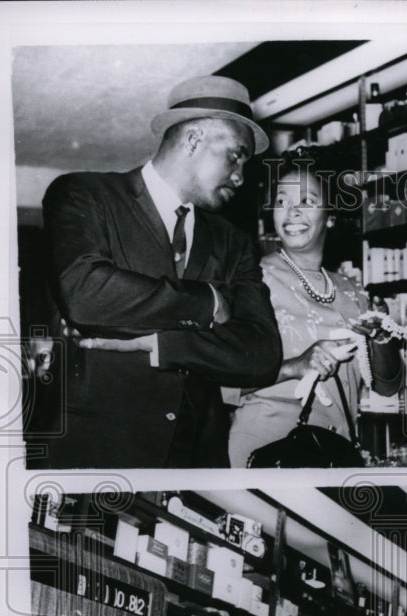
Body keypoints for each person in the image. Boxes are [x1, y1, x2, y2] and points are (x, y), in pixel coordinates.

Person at [40, 75, 282, 468]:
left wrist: (161, 345)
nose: (241, 176)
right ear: (193, 140)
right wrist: (208, 301)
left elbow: (261, 355)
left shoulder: (233, 241)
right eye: (236, 156)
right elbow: (85, 294)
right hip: (92, 455)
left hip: (193, 465)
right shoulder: (84, 195)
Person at [226, 157, 402, 466]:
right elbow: (219, 380)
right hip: (268, 450)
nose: (292, 212)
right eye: (282, 201)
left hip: (335, 452)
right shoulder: (251, 280)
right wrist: (295, 365)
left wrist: (382, 335)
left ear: (330, 216)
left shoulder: (353, 291)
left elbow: (388, 386)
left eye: (307, 201)